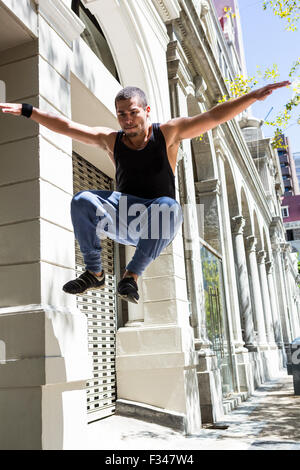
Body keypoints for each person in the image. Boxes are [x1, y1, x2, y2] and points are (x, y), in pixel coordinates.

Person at [0, 80, 290, 303]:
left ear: (147, 111)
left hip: (159, 220)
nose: (127, 120)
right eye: (121, 114)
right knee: (82, 200)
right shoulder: (111, 140)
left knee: (168, 205)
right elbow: (67, 127)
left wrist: (252, 97)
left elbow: (213, 117)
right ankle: (95, 273)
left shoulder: (170, 132)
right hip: (126, 218)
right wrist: (28, 111)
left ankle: (131, 276)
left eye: (133, 113)